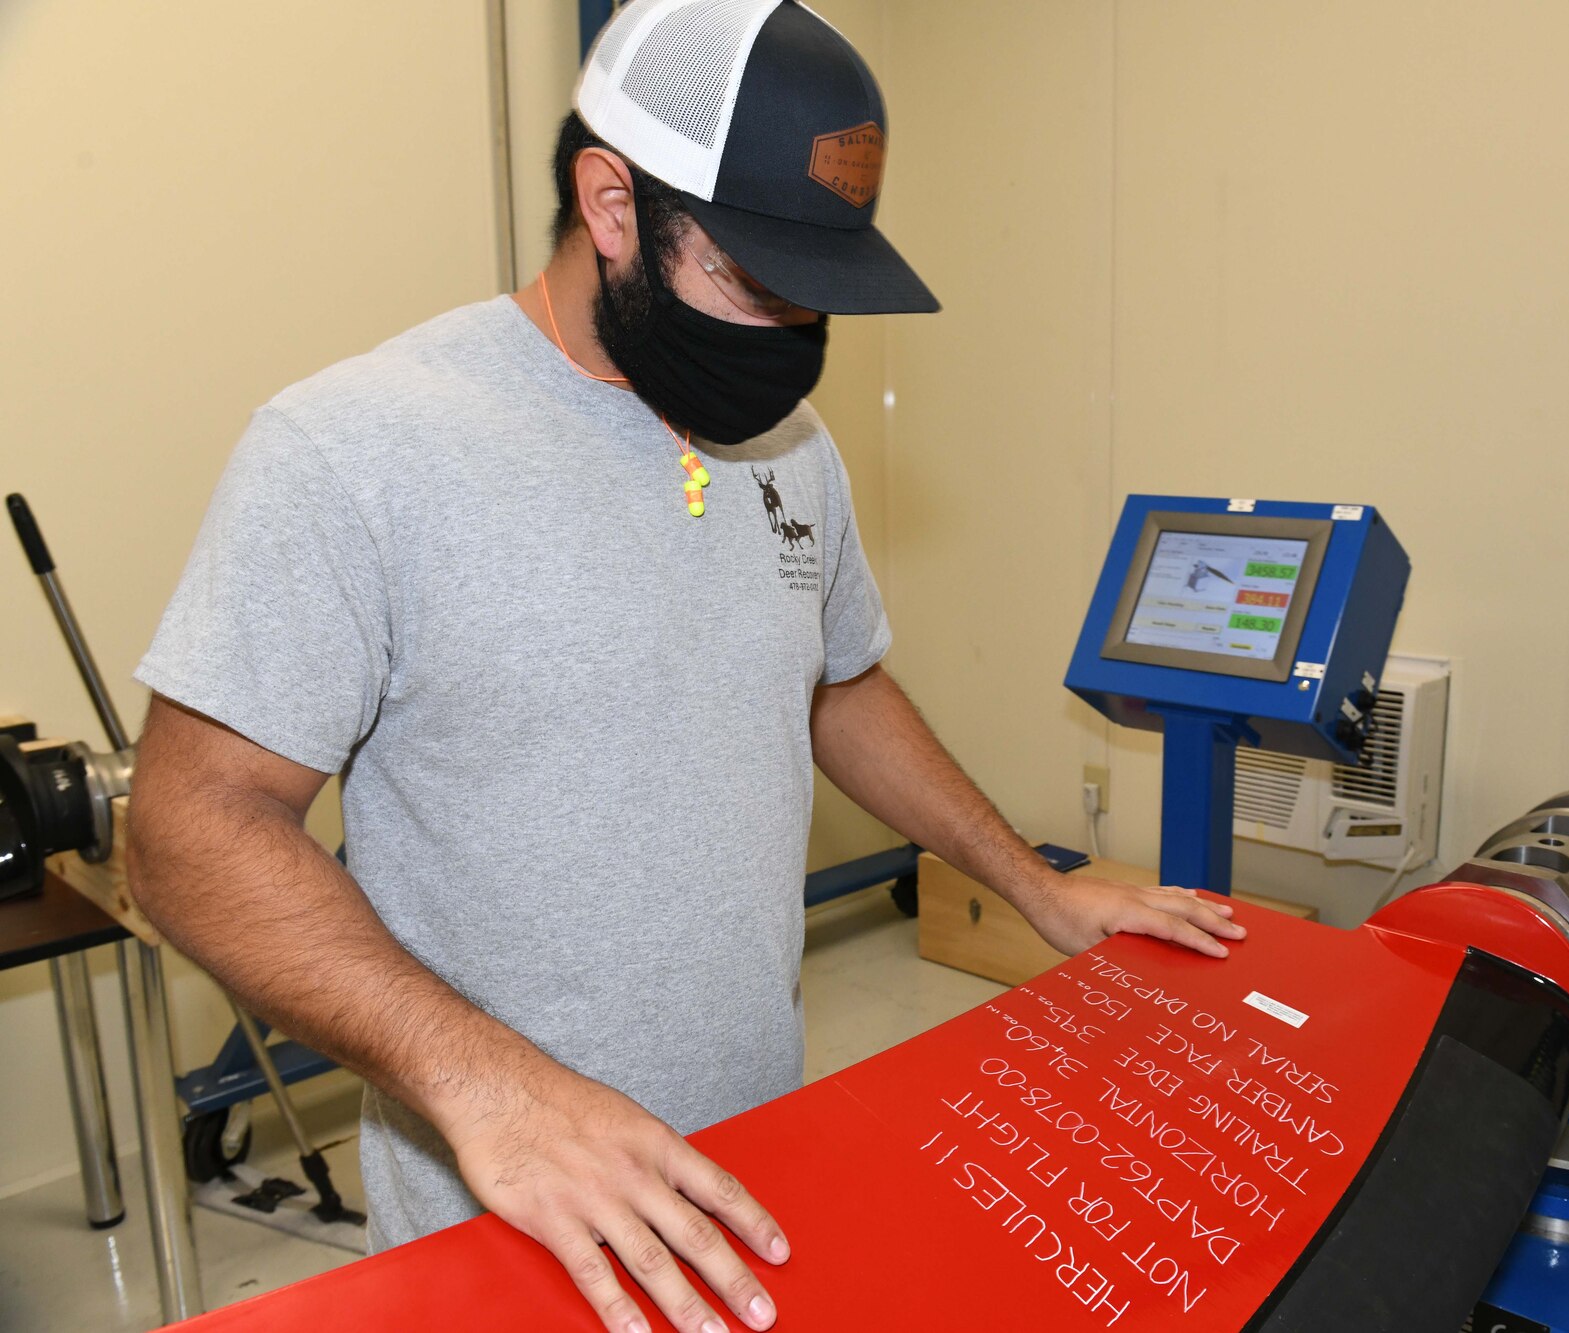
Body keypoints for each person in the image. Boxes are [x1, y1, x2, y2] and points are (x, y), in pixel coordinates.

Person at [125, 4, 1244, 1333]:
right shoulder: (358, 449)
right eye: (759, 279)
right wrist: (495, 1087)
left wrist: (1034, 886)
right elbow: (186, 828)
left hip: (751, 1177)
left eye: (815, 287)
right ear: (612, 205)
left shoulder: (790, 448)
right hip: (507, 1213)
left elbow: (837, 684)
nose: (795, 331)